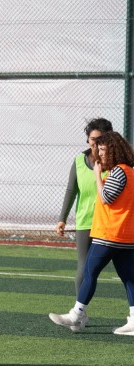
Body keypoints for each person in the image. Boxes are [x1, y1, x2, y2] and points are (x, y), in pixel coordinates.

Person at [50, 131, 134, 335]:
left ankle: (77, 315)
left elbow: (106, 198)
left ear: (113, 151)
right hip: (126, 236)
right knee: (130, 278)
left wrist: (97, 175)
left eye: (104, 151)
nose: (100, 156)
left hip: (109, 235)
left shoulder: (119, 172)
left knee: (89, 272)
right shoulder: (131, 171)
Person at [57, 118, 113, 297]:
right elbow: (71, 190)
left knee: (125, 267)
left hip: (111, 224)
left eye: (101, 139)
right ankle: (79, 311)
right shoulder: (79, 161)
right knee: (84, 266)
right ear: (88, 140)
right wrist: (62, 218)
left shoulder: (117, 162)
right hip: (86, 222)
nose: (96, 143)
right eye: (92, 139)